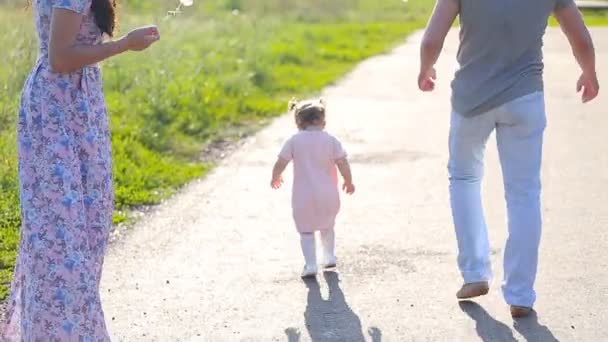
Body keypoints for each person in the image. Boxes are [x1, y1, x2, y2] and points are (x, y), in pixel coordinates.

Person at [418, 0, 599, 318]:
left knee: (464, 178)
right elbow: (580, 36)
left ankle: (474, 272)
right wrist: (589, 72)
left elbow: (433, 38)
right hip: (525, 98)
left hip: (471, 101)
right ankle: (520, 293)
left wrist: (426, 67)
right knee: (524, 192)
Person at [1, 0, 160, 339]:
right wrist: (123, 45)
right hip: (56, 112)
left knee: (83, 231)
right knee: (61, 236)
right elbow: (60, 58)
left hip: (78, 107)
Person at [271, 99, 355, 278]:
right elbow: (343, 162)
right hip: (328, 195)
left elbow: (281, 162)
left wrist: (275, 176)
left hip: (303, 197)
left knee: (306, 231)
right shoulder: (331, 140)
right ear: (322, 121)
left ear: (298, 123)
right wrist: (348, 181)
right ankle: (329, 256)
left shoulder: (294, 141)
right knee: (327, 226)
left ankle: (310, 265)